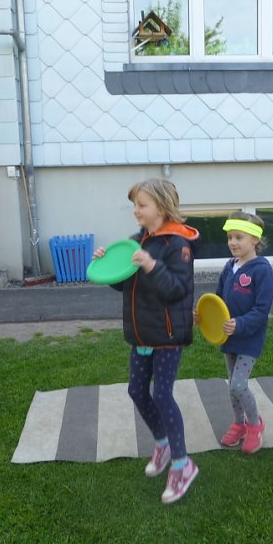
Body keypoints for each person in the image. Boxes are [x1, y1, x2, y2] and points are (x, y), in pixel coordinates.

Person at [93, 178, 200, 504]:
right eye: (135, 205)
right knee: (136, 391)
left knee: (162, 394)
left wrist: (151, 265)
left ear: (162, 207)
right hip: (142, 332)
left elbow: (176, 290)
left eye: (142, 204)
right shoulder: (136, 241)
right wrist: (106, 264)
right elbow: (125, 284)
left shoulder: (177, 244)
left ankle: (183, 466)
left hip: (167, 334)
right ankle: (162, 444)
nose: (136, 211)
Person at [202, 212, 273, 454]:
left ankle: (255, 425)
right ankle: (238, 423)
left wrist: (240, 324)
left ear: (255, 240)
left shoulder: (262, 270)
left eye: (238, 237)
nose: (232, 242)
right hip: (228, 336)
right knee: (231, 385)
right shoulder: (229, 266)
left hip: (249, 337)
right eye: (230, 237)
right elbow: (218, 299)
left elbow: (262, 310)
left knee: (239, 384)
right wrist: (204, 315)